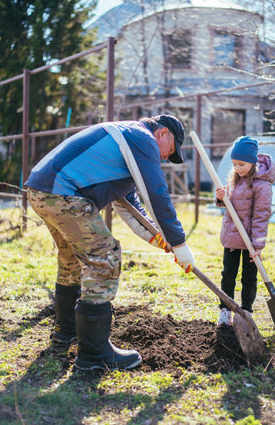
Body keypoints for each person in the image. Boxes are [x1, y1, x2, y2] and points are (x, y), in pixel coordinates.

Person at [25, 114, 195, 371]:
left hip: (41, 190)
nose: (163, 158)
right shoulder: (142, 138)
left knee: (71, 257)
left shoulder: (125, 142)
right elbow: (156, 192)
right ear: (162, 133)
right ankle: (94, 355)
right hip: (63, 193)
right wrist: (179, 242)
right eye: (169, 151)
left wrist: (157, 238)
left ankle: (66, 330)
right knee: (105, 256)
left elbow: (130, 206)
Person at [215, 136, 275, 326]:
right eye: (234, 164)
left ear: (253, 161)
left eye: (241, 164)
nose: (237, 168)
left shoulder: (262, 185)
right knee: (228, 275)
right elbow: (230, 205)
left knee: (249, 278)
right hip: (232, 237)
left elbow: (261, 216)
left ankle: (247, 312)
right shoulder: (235, 179)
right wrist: (221, 198)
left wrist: (257, 245)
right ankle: (225, 310)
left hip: (250, 242)